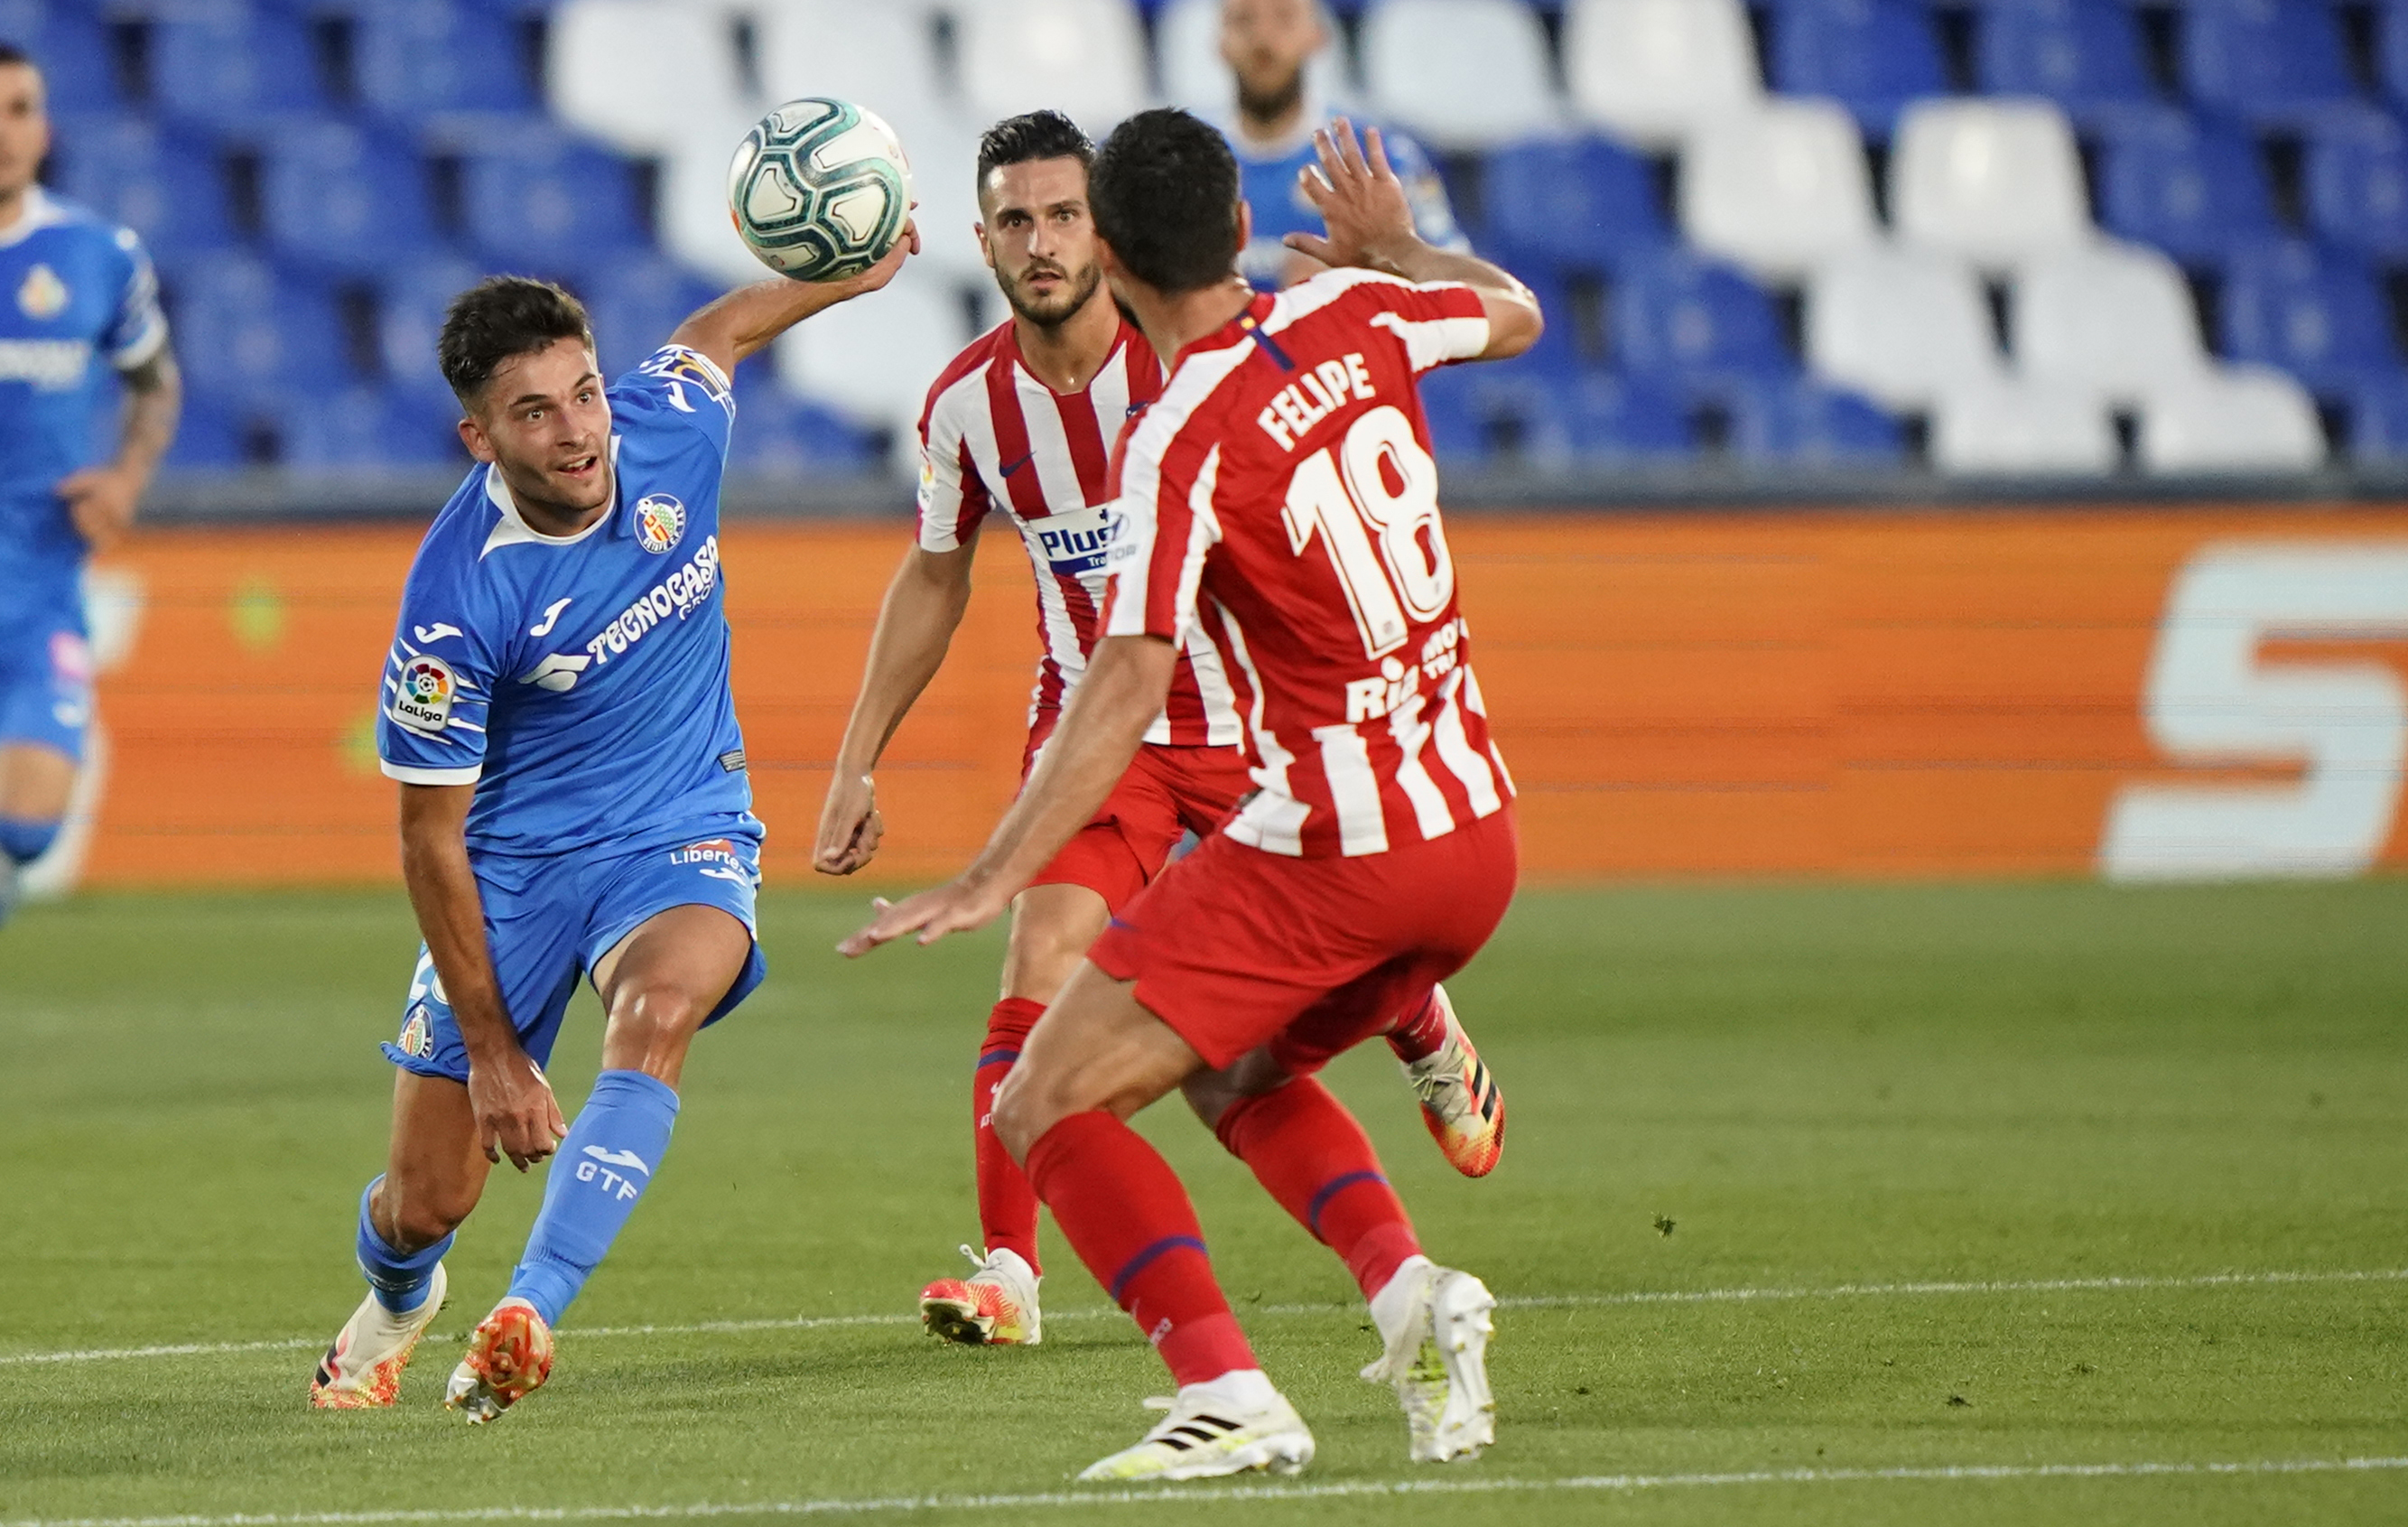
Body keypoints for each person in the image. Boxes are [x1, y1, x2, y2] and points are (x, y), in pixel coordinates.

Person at [842, 111, 1540, 1481]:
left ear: (1103, 247)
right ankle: (1411, 1291)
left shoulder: (1180, 435)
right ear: (1238, 227)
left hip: (1327, 834)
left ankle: (1223, 1386)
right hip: (1475, 825)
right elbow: (1510, 310)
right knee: (1229, 1062)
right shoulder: (1360, 310)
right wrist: (1395, 240)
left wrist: (990, 868)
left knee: (1041, 1099)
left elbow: (1124, 679)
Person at [308, 229, 918, 1421]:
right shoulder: (454, 602)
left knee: (658, 1009)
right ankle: (397, 1296)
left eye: (583, 391)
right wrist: (494, 1056)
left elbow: (719, 330)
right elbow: (428, 843)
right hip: (513, 873)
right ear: (479, 437)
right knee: (424, 1198)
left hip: (680, 825)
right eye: (533, 413)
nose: (578, 430)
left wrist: (853, 271)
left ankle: (526, 1311)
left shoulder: (669, 428)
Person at [0, 44, 181, 922]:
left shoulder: (96, 254)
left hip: (38, 597)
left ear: (45, 126)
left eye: (21, 108)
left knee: (29, 830)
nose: (6, 131)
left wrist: (126, 475)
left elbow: (155, 383)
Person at [1212, 0, 1466, 289]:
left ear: (1317, 35)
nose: (1263, 38)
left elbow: (1456, 281)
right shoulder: (1186, 159)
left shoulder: (1377, 155)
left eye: (1284, 18)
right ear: (1219, 42)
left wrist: (1357, 275)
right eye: (1244, 20)